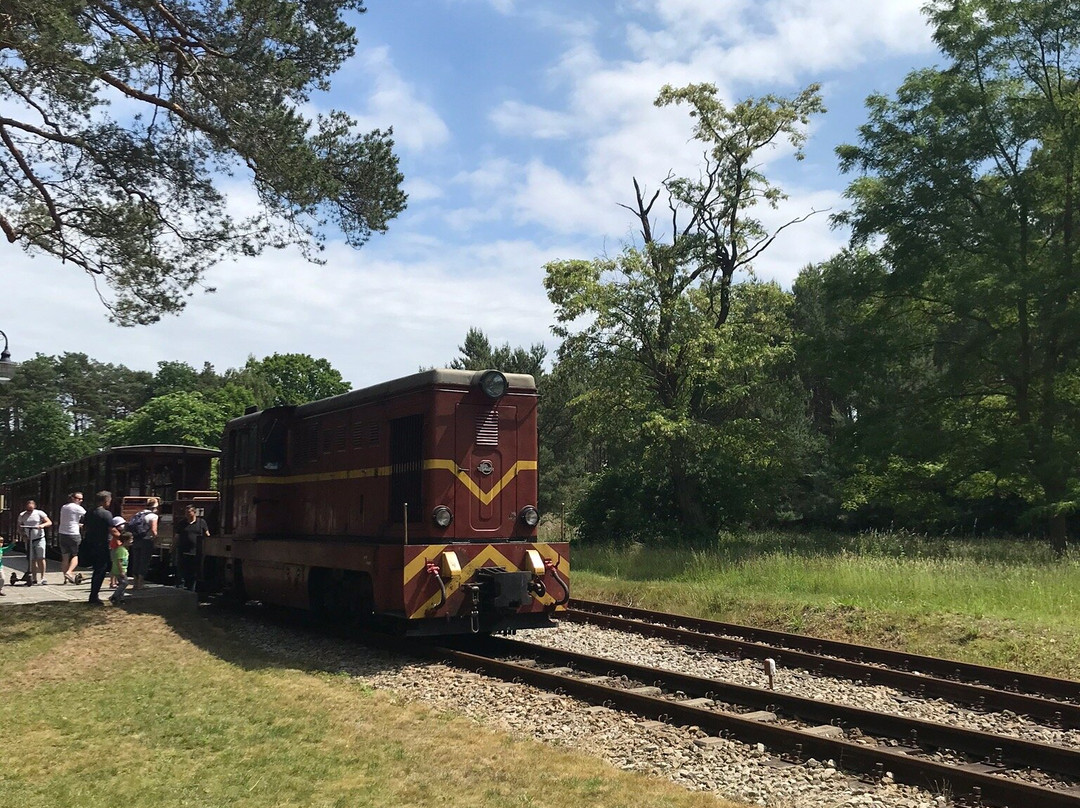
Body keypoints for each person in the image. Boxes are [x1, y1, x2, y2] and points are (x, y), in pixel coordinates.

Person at [82, 491, 113, 605]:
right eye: (109, 501)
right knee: (100, 570)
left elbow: (84, 527)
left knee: (96, 570)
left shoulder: (89, 512)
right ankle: (93, 596)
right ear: (105, 501)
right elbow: (112, 530)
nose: (109, 503)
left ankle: (93, 595)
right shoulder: (106, 514)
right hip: (102, 545)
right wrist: (122, 538)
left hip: (90, 544)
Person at [17, 499, 52, 585]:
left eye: (31, 509)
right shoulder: (22, 515)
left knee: (41, 558)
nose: (29, 511)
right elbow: (19, 527)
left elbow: (49, 522)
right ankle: (34, 578)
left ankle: (43, 577)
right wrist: (23, 536)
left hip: (39, 538)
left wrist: (42, 525)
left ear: (34, 507)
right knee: (32, 559)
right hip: (29, 540)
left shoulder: (40, 513)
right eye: (28, 509)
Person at [127, 497, 159, 590]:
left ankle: (135, 583)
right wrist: (155, 539)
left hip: (136, 539)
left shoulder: (139, 513)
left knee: (136, 560)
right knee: (144, 561)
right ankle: (140, 584)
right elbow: (154, 530)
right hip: (146, 540)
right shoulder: (153, 516)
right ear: (155, 506)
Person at [175, 505, 210, 591]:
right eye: (185, 513)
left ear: (194, 513)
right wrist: (173, 547)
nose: (186, 514)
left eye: (188, 512)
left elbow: (207, 534)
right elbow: (177, 537)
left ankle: (191, 591)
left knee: (193, 573)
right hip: (183, 551)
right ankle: (180, 591)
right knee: (181, 573)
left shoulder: (201, 522)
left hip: (195, 552)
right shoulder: (182, 523)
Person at [58, 491, 86, 584]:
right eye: (79, 499)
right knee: (75, 555)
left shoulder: (64, 507)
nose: (81, 500)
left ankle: (65, 579)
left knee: (65, 557)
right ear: (73, 498)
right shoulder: (78, 508)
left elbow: (69, 519)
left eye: (82, 499)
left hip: (62, 533)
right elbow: (87, 516)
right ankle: (69, 572)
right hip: (73, 534)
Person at [109, 531, 133, 606]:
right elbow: (119, 561)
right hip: (119, 571)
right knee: (125, 583)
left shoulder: (124, 549)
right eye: (131, 539)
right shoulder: (121, 550)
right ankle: (114, 596)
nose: (132, 541)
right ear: (126, 540)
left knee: (122, 584)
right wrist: (121, 571)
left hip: (123, 570)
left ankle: (120, 598)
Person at [108, 517, 125, 589]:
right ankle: (112, 582)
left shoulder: (118, 534)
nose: (123, 526)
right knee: (115, 567)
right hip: (115, 551)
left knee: (115, 567)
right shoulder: (116, 535)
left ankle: (115, 581)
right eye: (121, 524)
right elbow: (118, 544)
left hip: (115, 551)